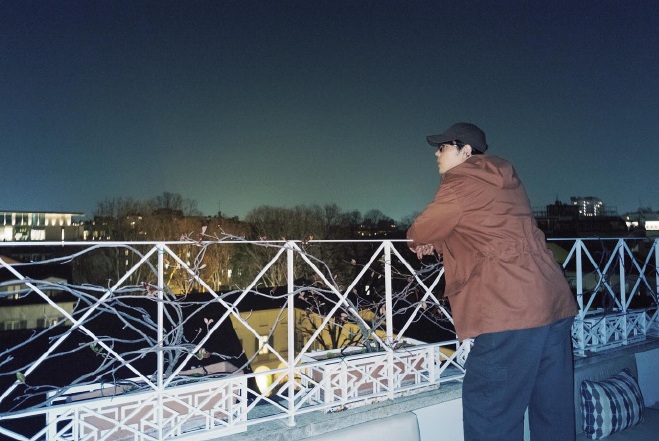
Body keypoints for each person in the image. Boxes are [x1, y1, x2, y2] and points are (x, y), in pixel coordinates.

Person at [407, 122, 578, 441]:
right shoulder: (506, 176)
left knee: (490, 411)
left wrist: (422, 240)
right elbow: (488, 226)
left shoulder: (459, 180)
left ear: (465, 151)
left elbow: (422, 229)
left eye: (443, 147)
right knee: (552, 409)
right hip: (552, 300)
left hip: (509, 308)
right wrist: (440, 241)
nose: (436, 153)